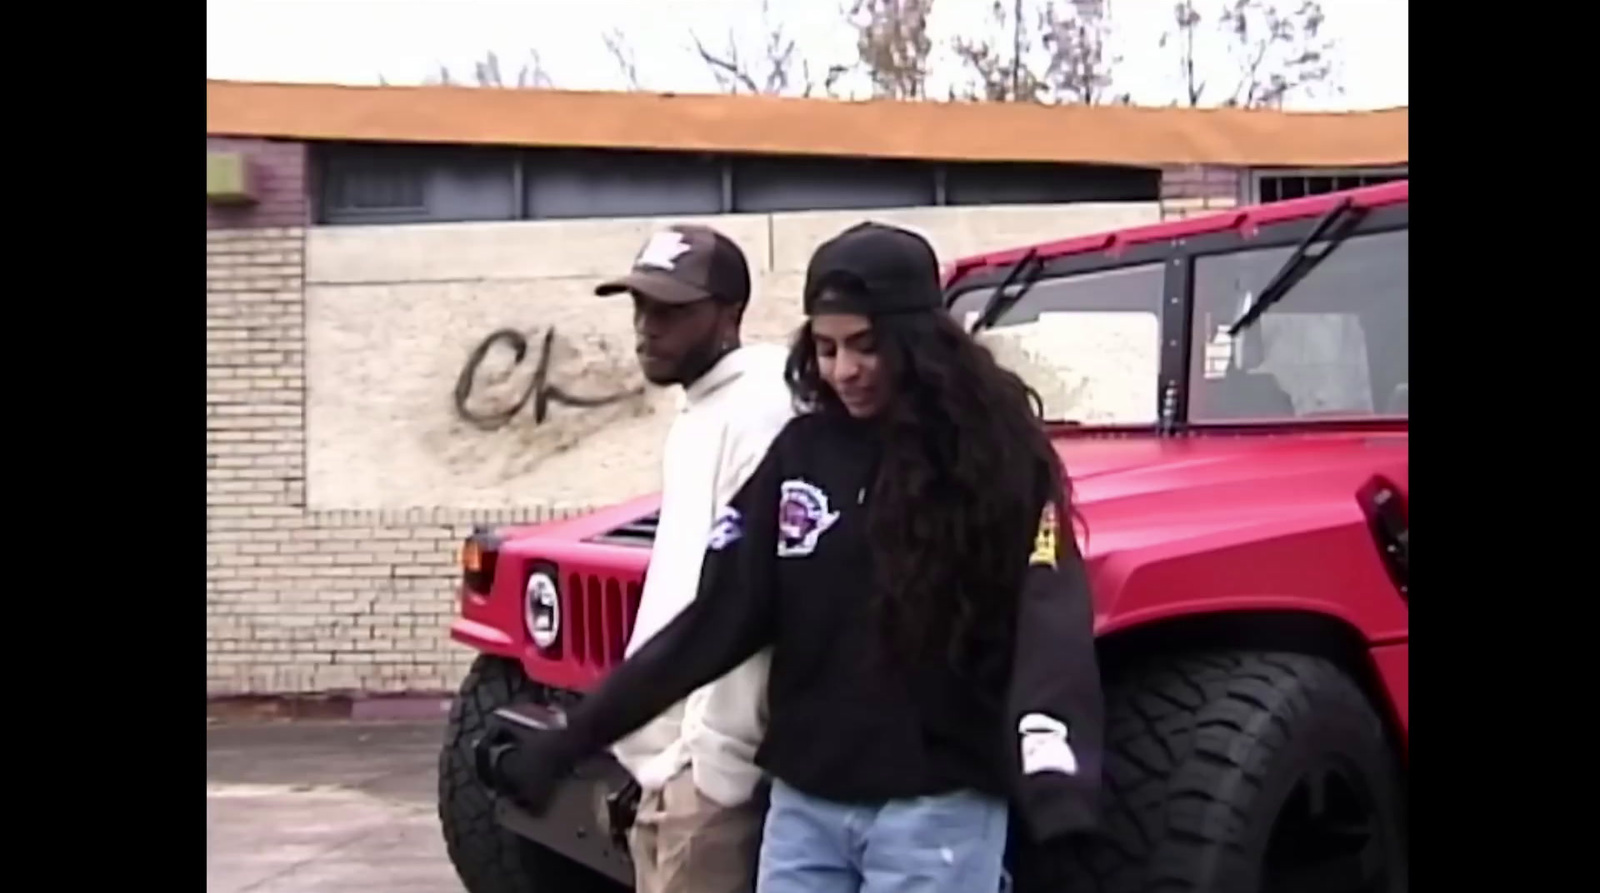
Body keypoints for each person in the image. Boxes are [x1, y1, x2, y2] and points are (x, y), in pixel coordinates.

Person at [488, 221, 1105, 893]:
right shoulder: (800, 454)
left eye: (868, 346)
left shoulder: (997, 463)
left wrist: (1057, 788)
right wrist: (574, 737)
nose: (845, 369)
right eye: (827, 345)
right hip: (805, 810)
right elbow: (713, 624)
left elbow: (1051, 622)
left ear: (920, 341)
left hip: (936, 812)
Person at [593, 223, 796, 893]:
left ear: (729, 314)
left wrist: (709, 766)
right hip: (668, 771)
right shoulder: (702, 409)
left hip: (707, 782)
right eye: (641, 307)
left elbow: (755, 603)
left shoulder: (761, 409)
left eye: (672, 311)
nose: (647, 327)